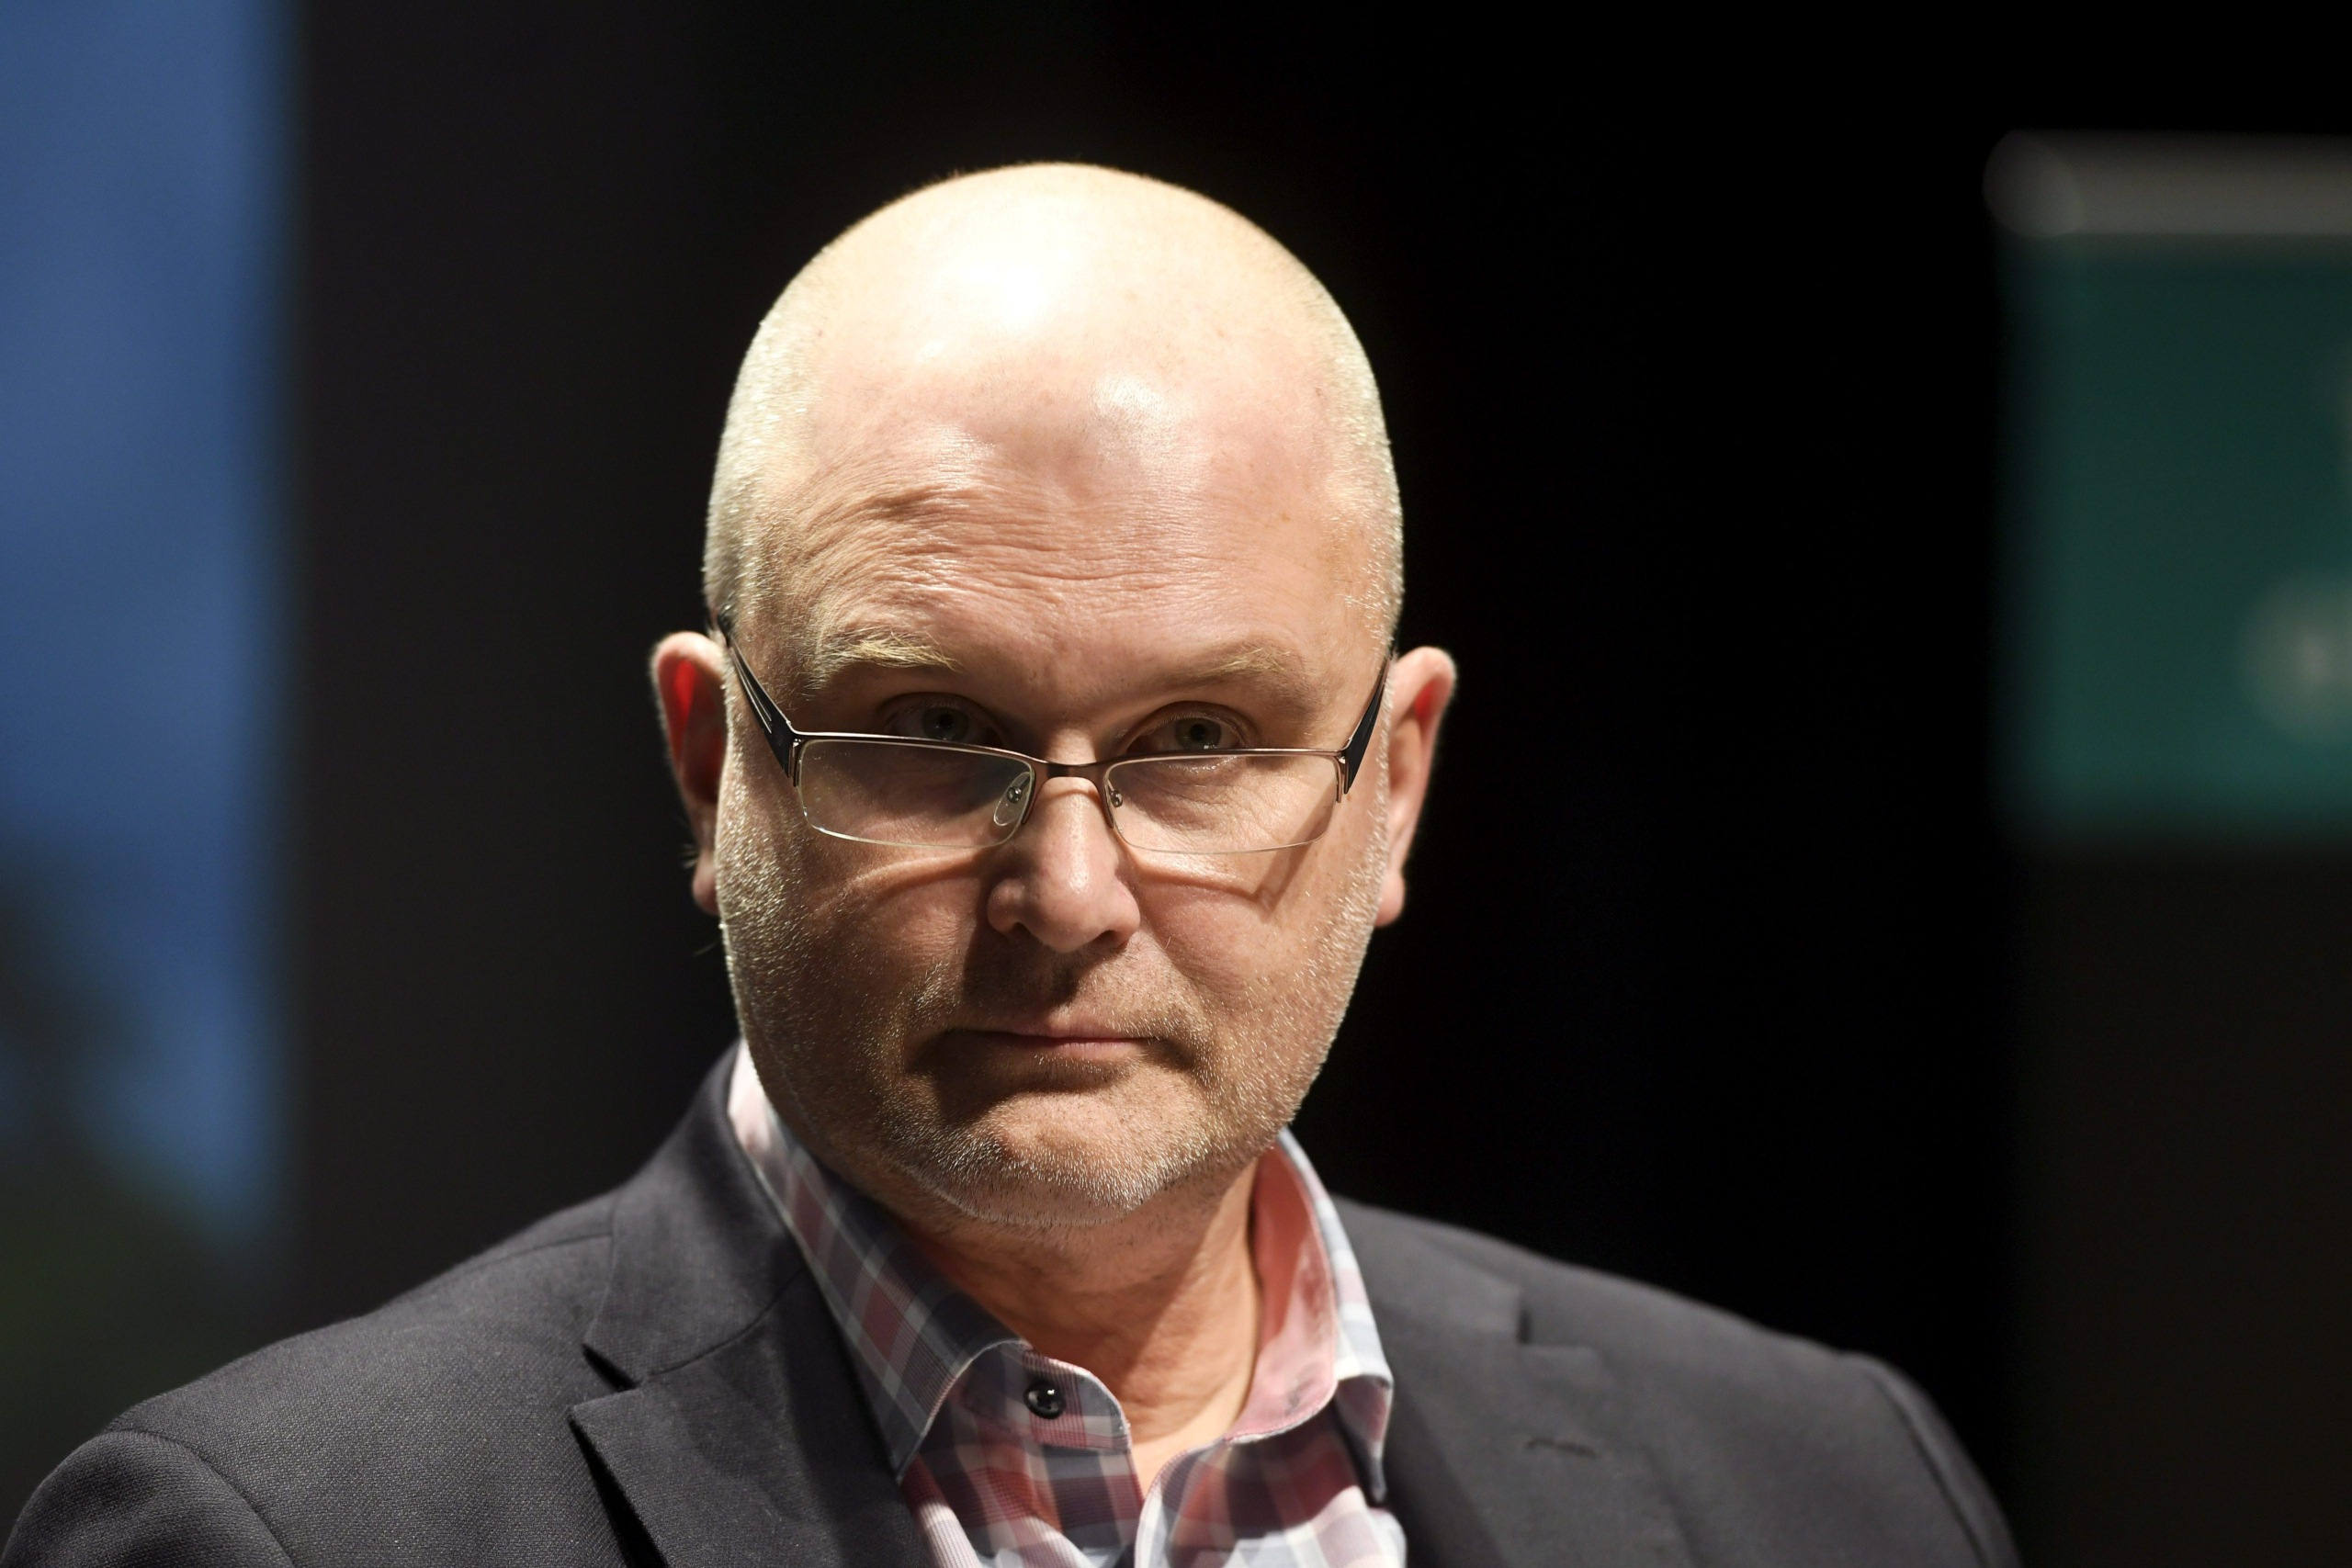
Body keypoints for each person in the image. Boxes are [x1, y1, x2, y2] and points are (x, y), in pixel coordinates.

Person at [4, 164, 2017, 1568]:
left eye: (1200, 741)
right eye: (934, 727)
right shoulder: (284, 1537)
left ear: (1394, 785)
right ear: (710, 764)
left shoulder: (1828, 1494)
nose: (1064, 892)